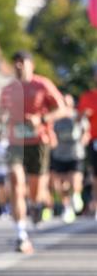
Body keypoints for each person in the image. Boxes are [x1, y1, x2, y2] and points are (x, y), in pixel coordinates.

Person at [0, 50, 67, 253]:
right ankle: (20, 233)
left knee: (36, 190)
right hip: (15, 143)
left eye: (22, 62)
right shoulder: (8, 89)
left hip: (39, 142)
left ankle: (36, 206)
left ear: (31, 65)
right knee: (16, 182)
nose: (19, 66)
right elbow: (0, 114)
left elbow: (61, 109)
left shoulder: (42, 85)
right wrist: (2, 118)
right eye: (16, 63)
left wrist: (42, 120)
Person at [50, 93, 90, 222]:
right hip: (60, 154)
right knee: (62, 185)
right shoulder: (56, 118)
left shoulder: (77, 116)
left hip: (75, 153)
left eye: (68, 103)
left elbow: (86, 131)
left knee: (75, 180)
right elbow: (51, 131)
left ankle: (76, 196)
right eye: (64, 103)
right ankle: (67, 207)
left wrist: (84, 140)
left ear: (72, 104)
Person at [77, 68, 97, 217]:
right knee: (95, 175)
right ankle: (95, 204)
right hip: (94, 140)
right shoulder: (87, 97)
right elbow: (78, 120)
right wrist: (84, 115)